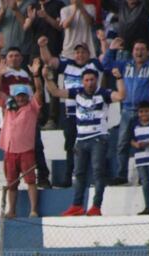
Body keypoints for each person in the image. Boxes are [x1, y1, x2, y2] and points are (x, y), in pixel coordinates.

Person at [44, 66, 126, 216]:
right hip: (81, 139)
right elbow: (55, 92)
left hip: (98, 139)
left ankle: (96, 206)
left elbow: (121, 96)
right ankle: (77, 205)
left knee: (97, 173)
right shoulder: (77, 92)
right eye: (87, 80)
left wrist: (119, 79)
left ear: (97, 80)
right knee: (79, 174)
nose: (89, 83)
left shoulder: (103, 93)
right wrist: (47, 78)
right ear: (82, 82)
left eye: (92, 80)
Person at [103, 37, 149, 185]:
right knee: (122, 143)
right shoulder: (125, 64)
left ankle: (146, 176)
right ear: (132, 52)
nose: (139, 52)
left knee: (148, 143)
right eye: (136, 49)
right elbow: (106, 65)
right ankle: (121, 175)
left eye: (142, 49)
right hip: (127, 110)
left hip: (146, 112)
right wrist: (111, 50)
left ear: (148, 52)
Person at [39, 37, 104, 187]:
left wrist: (103, 42)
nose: (80, 55)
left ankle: (96, 178)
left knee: (94, 145)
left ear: (88, 54)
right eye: (77, 52)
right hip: (71, 113)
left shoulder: (94, 64)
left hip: (92, 112)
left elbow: (106, 60)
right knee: (70, 146)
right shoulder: (67, 65)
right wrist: (43, 46)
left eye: (83, 52)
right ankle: (68, 178)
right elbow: (49, 61)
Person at [0, 60, 43, 218]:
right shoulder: (8, 107)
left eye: (23, 96)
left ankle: (33, 210)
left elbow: (39, 92)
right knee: (11, 183)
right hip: (9, 151)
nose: (21, 99)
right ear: (14, 97)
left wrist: (35, 75)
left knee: (31, 181)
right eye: (18, 96)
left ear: (27, 97)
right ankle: (11, 210)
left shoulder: (32, 107)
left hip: (26, 150)